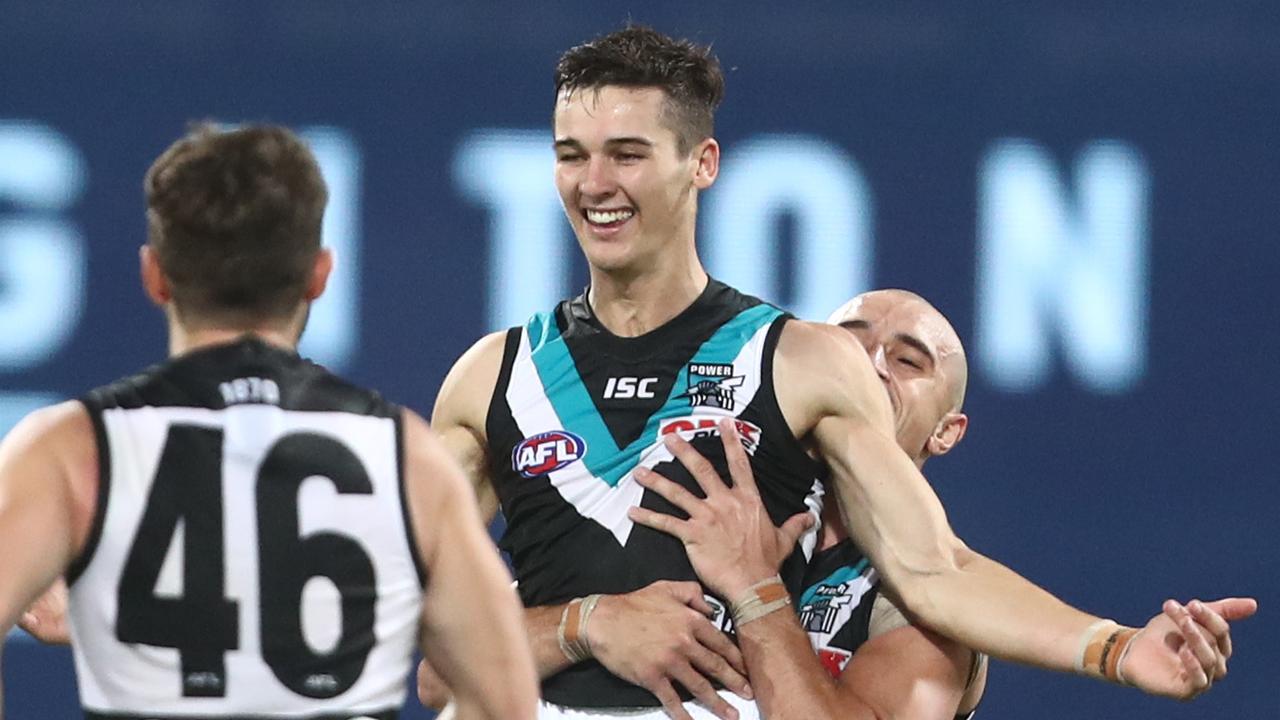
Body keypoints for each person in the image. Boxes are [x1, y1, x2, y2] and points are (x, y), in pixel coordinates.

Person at [420, 23, 1254, 720]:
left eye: (628, 155)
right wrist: (585, 625)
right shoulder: (493, 375)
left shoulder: (797, 360)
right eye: (573, 154)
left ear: (702, 163)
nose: (594, 184)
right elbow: (409, 629)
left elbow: (935, 566)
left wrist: (1115, 649)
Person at [0, 124, 538, 720]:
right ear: (320, 274)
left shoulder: (71, 450)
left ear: (154, 275)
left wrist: (114, 617)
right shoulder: (406, 458)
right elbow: (503, 701)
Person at [633, 288, 982, 718]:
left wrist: (754, 587)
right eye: (847, 345)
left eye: (907, 361)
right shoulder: (705, 510)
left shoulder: (931, 600)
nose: (867, 367)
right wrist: (584, 624)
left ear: (946, 432)